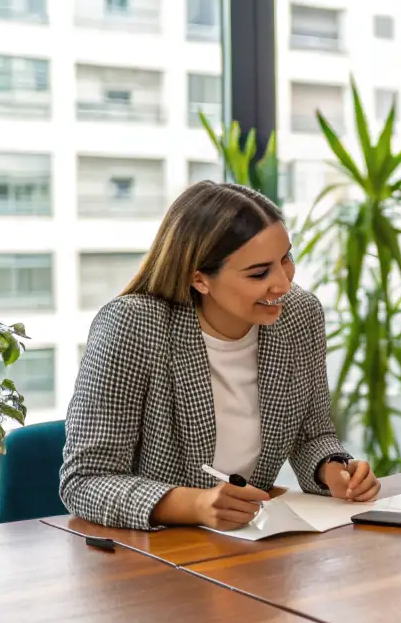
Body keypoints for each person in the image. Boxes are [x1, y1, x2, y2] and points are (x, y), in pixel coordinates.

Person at [61, 182, 378, 532]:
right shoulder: (133, 325)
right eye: (259, 272)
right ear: (199, 279)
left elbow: (311, 434)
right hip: (155, 551)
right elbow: (85, 480)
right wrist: (195, 504)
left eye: (286, 258)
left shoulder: (298, 316)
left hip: (252, 542)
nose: (284, 284)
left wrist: (334, 470)